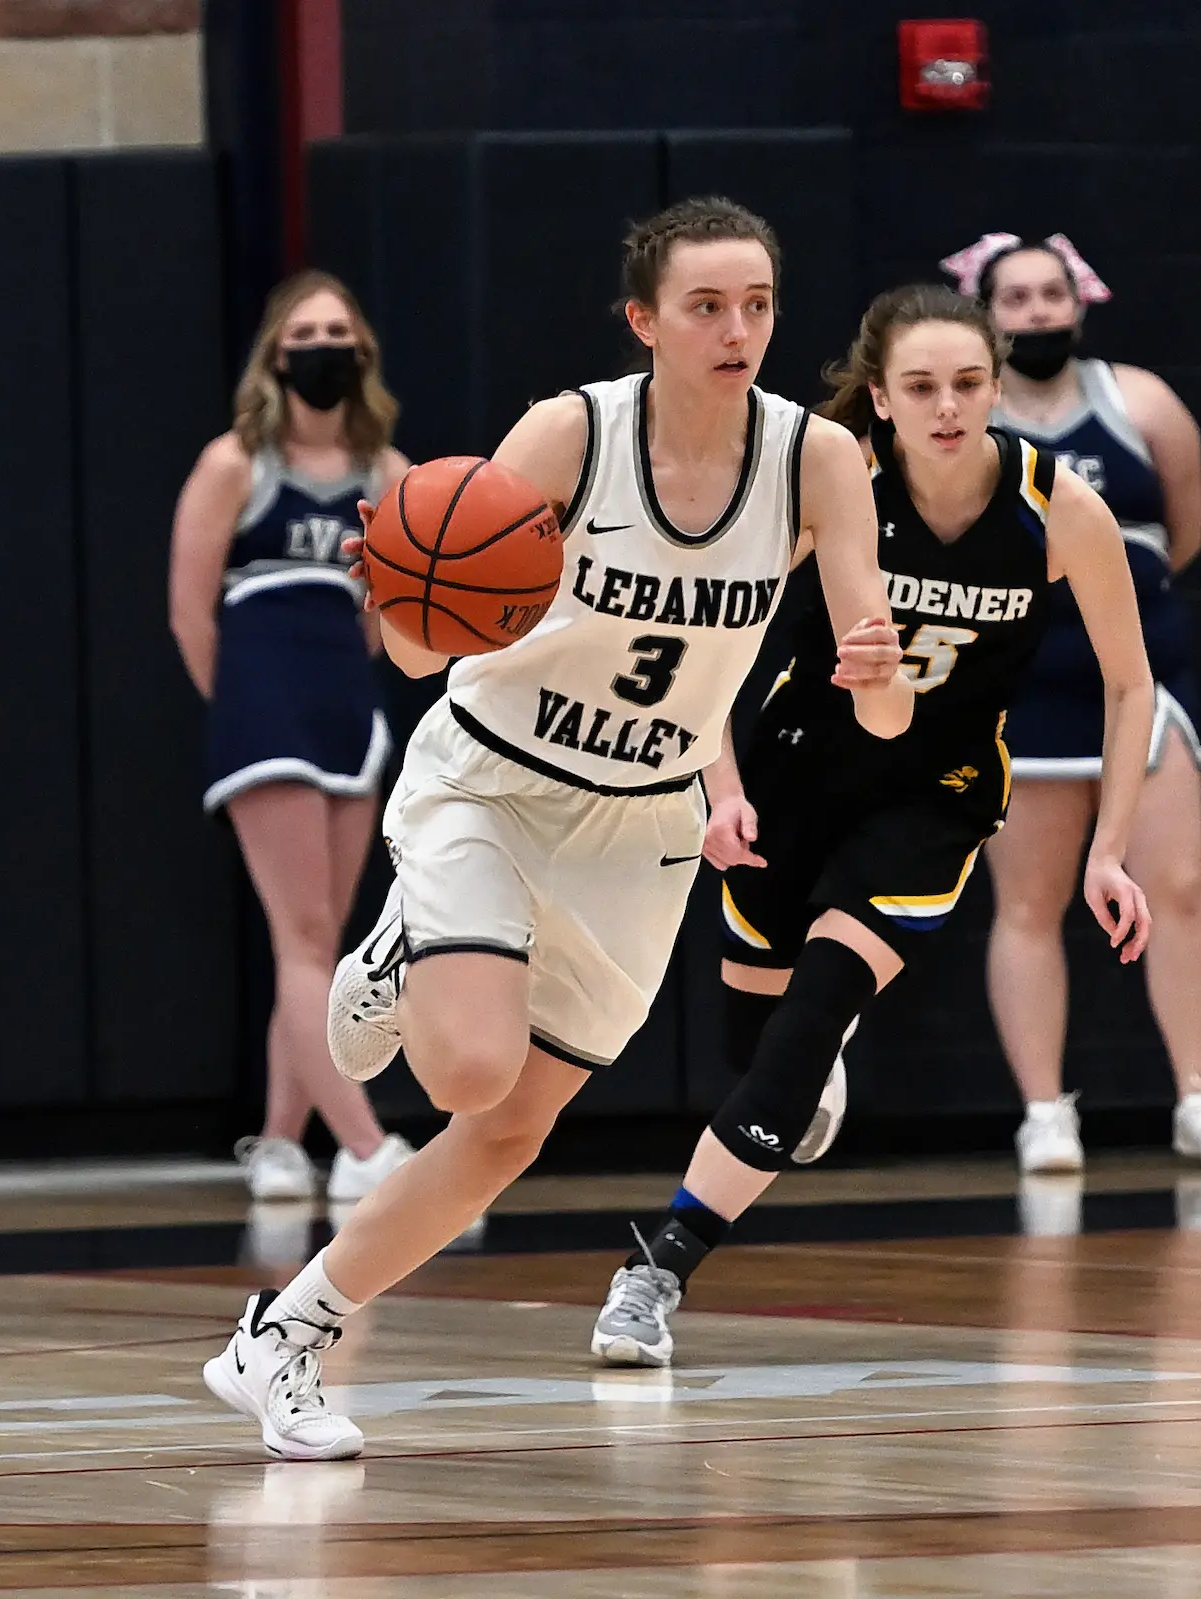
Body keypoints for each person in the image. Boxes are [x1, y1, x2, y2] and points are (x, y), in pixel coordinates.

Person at [199, 197, 912, 1459]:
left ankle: (285, 1337)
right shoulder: (573, 432)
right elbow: (418, 652)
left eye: (756, 304)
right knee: (464, 1069)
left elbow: (889, 699)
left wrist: (880, 672)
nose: (737, 328)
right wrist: (426, 589)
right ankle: (403, 946)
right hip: (496, 781)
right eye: (706, 306)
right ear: (645, 321)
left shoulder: (818, 460)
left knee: (511, 1130)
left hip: (644, 822)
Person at [588, 285, 1155, 1367]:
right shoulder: (826, 485)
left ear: (997, 388)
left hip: (933, 798)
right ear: (882, 400)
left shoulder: (1057, 510)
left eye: (969, 384)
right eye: (922, 387)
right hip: (796, 783)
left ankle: (653, 1270)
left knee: (806, 1027)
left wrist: (1109, 849)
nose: (949, 408)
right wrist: (723, 785)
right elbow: (709, 641)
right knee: (753, 1051)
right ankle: (805, 1067)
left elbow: (1131, 688)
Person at [941, 232, 1201, 1174]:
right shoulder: (969, 417)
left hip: (1142, 683)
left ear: (1080, 304)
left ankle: (1199, 1097)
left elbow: (1184, 533)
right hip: (1018, 692)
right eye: (1016, 298)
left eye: (1052, 294)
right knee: (1029, 903)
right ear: (983, 314)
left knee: (1182, 889)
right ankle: (1045, 1111)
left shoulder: (1143, 401)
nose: (1037, 311)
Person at [170, 271, 415, 1204]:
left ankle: (279, 1141)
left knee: (312, 939)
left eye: (339, 331)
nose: (324, 346)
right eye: (306, 331)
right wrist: (238, 708)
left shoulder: (388, 472)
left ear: (363, 353)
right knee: (307, 936)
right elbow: (191, 614)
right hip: (262, 705)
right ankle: (363, 1145)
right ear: (277, 353)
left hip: (345, 708)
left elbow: (395, 616)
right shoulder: (234, 463)